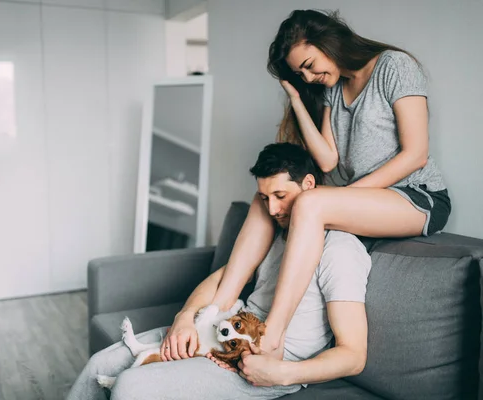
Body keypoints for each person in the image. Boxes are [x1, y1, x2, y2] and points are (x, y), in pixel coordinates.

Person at [210, 9, 451, 359]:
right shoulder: (333, 90)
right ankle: (218, 309)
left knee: (309, 202)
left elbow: (415, 154)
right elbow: (326, 160)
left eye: (309, 64)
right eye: (300, 73)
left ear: (329, 41)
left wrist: (341, 198)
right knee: (265, 199)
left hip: (417, 197)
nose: (309, 76)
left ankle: (271, 335)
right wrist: (297, 101)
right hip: (372, 200)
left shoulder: (394, 67)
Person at [67, 143, 372, 400]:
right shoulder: (278, 235)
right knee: (99, 365)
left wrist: (283, 373)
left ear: (309, 186)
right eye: (265, 199)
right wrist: (185, 317)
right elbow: (223, 279)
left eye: (281, 196)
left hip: (266, 362)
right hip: (223, 331)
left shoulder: (341, 250)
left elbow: (353, 355)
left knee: (131, 386)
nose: (273, 210)